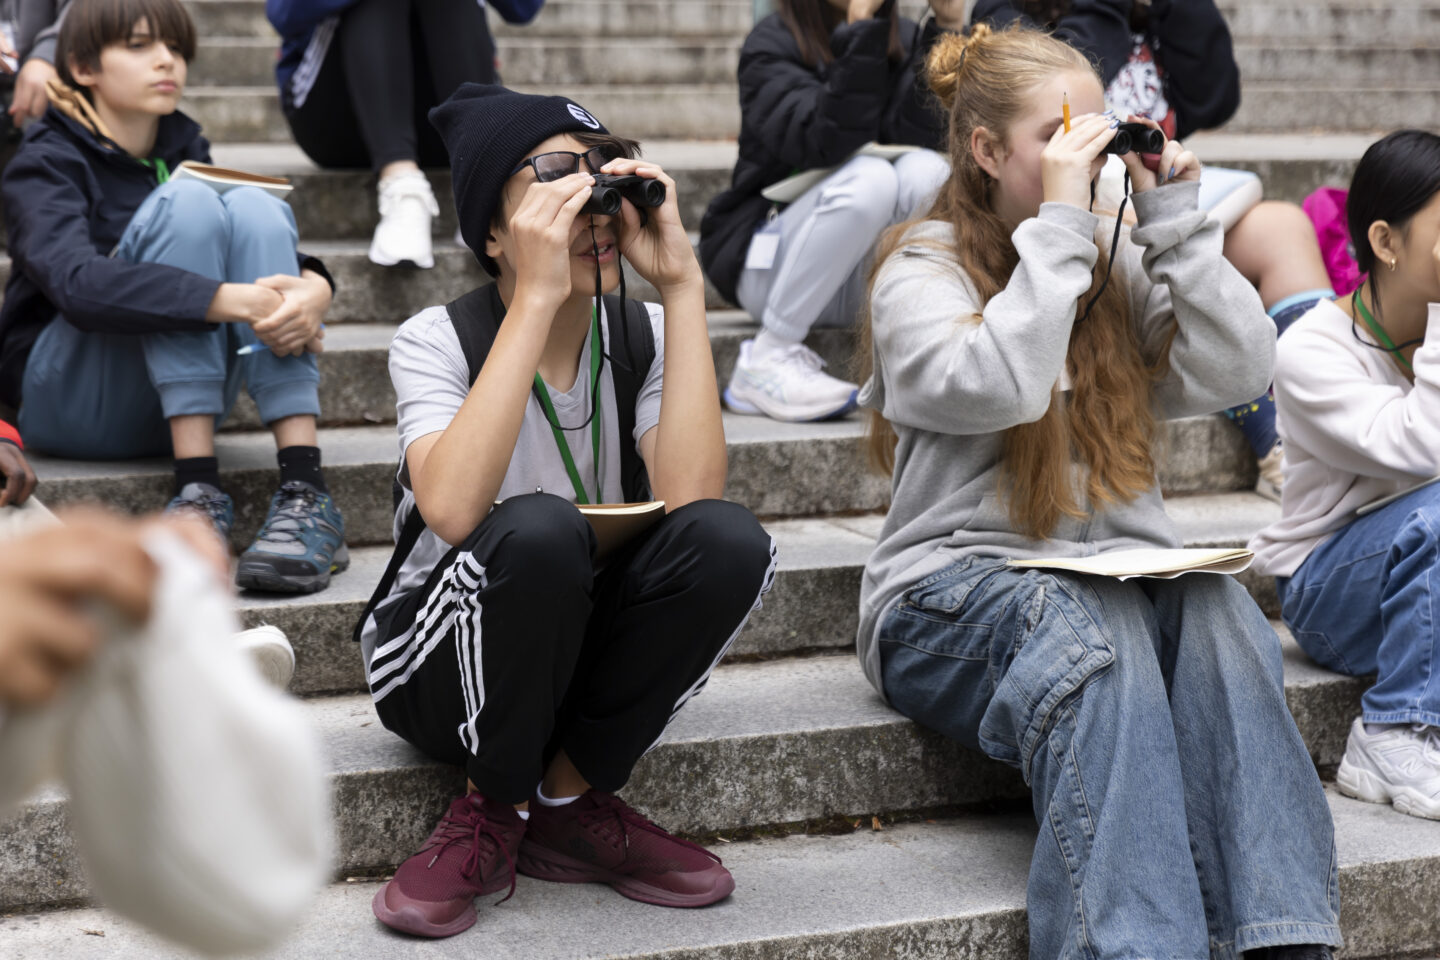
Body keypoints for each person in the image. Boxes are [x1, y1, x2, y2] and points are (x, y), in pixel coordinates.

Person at [858, 24, 1339, 959]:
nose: (1084, 149)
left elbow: (1242, 366)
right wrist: (1064, 231)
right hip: (945, 594)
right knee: (1094, 632)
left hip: (1107, 582)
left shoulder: (1112, 262)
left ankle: (1287, 941)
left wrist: (1182, 228)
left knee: (1227, 616)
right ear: (987, 150)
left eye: (1096, 126)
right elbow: (1000, 383)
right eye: (1057, 133)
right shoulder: (921, 270)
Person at [356, 84, 777, 938]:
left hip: (571, 650)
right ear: (490, 233)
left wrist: (687, 289)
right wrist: (539, 295)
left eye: (603, 172)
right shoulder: (438, 340)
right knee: (541, 528)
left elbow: (696, 509)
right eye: (554, 177)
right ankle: (491, 807)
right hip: (437, 663)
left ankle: (566, 799)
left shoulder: (644, 334)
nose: (591, 199)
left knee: (734, 541)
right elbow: (451, 506)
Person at [0, 0, 348, 595]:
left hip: (171, 396)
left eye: (175, 47)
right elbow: (77, 286)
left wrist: (317, 286)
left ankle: (305, 490)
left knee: (253, 202)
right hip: (68, 399)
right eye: (138, 46)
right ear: (83, 67)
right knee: (189, 203)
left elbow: (250, 248)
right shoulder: (44, 163)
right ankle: (196, 488)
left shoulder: (185, 148)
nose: (166, 60)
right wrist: (231, 301)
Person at [970, 0, 1336, 501]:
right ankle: (1270, 436)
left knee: (1284, 226)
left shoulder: (1158, 13)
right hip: (1077, 204)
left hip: (1138, 186)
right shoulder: (1012, 11)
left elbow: (1215, 98)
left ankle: (1322, 421)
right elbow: (1059, 86)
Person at [1250, 130, 1440, 821]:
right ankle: (1391, 729)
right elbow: (1421, 444)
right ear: (1387, 243)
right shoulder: (1310, 352)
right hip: (1328, 589)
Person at [698, 0, 962, 422]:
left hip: (856, 277)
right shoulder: (770, 43)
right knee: (871, 178)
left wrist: (945, 28)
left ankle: (918, 350)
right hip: (774, 264)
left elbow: (914, 136)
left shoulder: (907, 37)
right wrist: (861, 31)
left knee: (928, 170)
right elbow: (825, 140)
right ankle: (768, 357)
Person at [267, 0, 544, 270]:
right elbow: (284, 13)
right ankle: (401, 184)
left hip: (446, 130)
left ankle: (484, 190)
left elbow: (523, 8)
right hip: (340, 121)